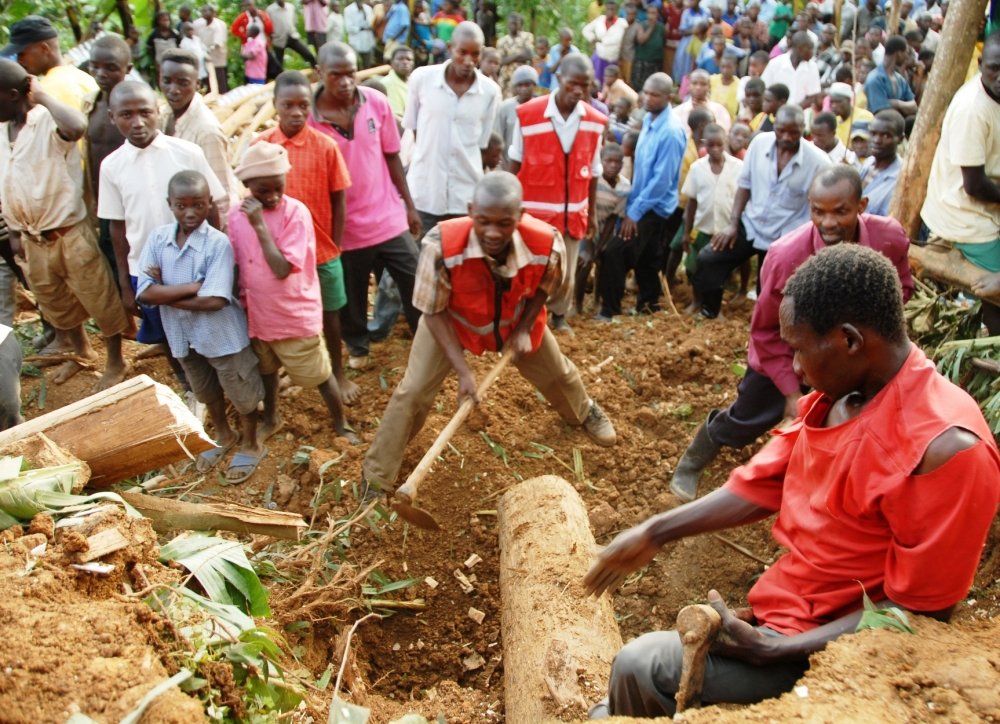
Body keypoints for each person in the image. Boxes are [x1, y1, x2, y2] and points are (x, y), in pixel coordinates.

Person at [588, 242, 999, 718]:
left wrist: (777, 649)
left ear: (849, 340)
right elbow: (760, 483)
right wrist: (655, 531)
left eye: (799, 350)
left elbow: (921, 613)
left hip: (830, 647)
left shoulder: (944, 450)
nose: (796, 370)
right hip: (785, 614)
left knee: (640, 666)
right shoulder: (838, 398)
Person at [361, 172, 617, 496]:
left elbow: (546, 287)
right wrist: (463, 371)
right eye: (483, 221)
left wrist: (524, 329)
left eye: (504, 223)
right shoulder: (440, 246)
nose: (493, 232)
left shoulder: (548, 243)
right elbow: (433, 310)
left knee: (558, 373)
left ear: (520, 216)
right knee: (411, 393)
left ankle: (584, 412)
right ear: (470, 211)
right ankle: (376, 476)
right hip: (451, 322)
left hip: (515, 319)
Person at [674, 165, 913, 500]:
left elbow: (900, 290)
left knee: (856, 419)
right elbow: (767, 332)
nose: (828, 223)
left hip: (851, 354)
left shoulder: (889, 238)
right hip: (789, 353)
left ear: (861, 206)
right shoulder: (786, 257)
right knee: (751, 416)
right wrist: (790, 391)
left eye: (841, 212)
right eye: (818, 212)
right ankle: (698, 454)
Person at [0, 58, 130, 393]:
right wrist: (15, 232)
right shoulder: (3, 132)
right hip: (32, 236)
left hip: (68, 232)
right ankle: (80, 347)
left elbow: (76, 127)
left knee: (97, 295)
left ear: (13, 95)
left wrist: (41, 96)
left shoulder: (46, 122)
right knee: (54, 299)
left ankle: (116, 359)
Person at [136, 171, 266, 483]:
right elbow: (144, 293)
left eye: (198, 205)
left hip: (222, 335)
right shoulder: (158, 239)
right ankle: (223, 434)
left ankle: (251, 442)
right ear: (170, 205)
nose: (190, 212)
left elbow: (215, 301)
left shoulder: (217, 244)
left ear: (209, 205)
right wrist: (195, 285)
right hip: (182, 335)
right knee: (204, 389)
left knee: (242, 390)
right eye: (182, 206)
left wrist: (165, 292)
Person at [308, 47, 424, 389]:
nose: (346, 82)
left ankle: (424, 340)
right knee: (351, 294)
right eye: (336, 75)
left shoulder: (375, 102)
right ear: (319, 73)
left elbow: (392, 158)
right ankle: (357, 345)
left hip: (386, 214)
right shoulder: (311, 119)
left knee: (415, 278)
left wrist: (409, 205)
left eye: (351, 73)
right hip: (343, 226)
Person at [229, 142, 356, 442]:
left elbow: (282, 268)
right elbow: (236, 262)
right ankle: (272, 417)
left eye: (278, 187)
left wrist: (259, 225)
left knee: (320, 374)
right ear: (247, 186)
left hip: (292, 314)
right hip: (258, 316)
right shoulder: (235, 216)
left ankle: (341, 423)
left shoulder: (295, 213)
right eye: (263, 190)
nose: (272, 195)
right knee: (267, 371)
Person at [98, 81, 227, 367]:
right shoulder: (111, 166)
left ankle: (217, 389)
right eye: (126, 115)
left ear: (158, 111)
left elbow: (213, 206)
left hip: (194, 264)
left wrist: (217, 260)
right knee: (167, 335)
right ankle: (189, 385)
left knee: (209, 327)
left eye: (145, 112)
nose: (138, 122)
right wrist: (125, 283)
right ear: (112, 116)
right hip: (147, 270)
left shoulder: (187, 153)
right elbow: (117, 227)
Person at [252, 71, 354, 403]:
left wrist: (335, 245)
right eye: (288, 105)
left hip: (322, 251)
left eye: (303, 105)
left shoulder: (325, 146)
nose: (296, 112)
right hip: (276, 255)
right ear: (275, 106)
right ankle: (290, 370)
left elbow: (339, 199)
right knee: (285, 314)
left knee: (331, 313)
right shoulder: (262, 146)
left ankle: (337, 372)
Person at [692, 105, 830, 319]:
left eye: (793, 132)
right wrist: (732, 224)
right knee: (709, 259)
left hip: (785, 235)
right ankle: (711, 312)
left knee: (768, 289)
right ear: (774, 126)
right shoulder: (759, 143)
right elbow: (744, 185)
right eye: (781, 130)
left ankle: (762, 328)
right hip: (751, 223)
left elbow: (820, 207)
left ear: (804, 130)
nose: (786, 136)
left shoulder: (819, 162)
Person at [508, 53, 606, 333]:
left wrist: (593, 213)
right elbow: (513, 163)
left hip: (573, 213)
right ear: (558, 79)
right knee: (531, 270)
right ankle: (523, 317)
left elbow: (594, 170)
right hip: (534, 214)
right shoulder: (528, 115)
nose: (578, 91)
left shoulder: (594, 121)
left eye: (584, 86)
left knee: (565, 270)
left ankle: (559, 317)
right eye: (572, 84)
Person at [921, 31, 1000, 335]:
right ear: (980, 64)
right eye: (995, 68)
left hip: (985, 197)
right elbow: (974, 185)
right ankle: (994, 342)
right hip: (964, 212)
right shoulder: (972, 109)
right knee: (996, 294)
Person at [598, 73, 686, 319]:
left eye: (655, 95)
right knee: (649, 257)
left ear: (668, 98)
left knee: (614, 252)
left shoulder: (670, 131)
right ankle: (648, 305)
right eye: (645, 92)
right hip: (642, 201)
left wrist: (634, 213)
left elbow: (662, 180)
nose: (647, 98)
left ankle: (609, 310)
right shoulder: (649, 119)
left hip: (651, 207)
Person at [404, 21, 500, 234]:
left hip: (465, 197)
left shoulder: (490, 91)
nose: (468, 61)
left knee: (459, 263)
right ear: (450, 48)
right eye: (462, 52)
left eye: (475, 54)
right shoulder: (422, 79)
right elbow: (415, 131)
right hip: (424, 193)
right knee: (418, 262)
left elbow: (480, 144)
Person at [158, 49, 238, 224]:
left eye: (182, 83)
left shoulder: (207, 131)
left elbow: (220, 195)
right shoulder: (166, 115)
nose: (173, 90)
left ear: (198, 84)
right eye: (167, 81)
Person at [83, 35, 133, 280]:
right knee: (111, 262)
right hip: (102, 203)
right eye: (95, 66)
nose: (100, 73)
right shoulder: (89, 104)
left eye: (110, 67)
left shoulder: (135, 110)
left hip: (130, 205)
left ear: (127, 69)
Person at [679, 123, 743, 313]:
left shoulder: (738, 167)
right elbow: (691, 203)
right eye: (711, 145)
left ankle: (715, 307)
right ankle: (697, 302)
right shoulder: (697, 168)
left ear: (726, 142)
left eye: (719, 145)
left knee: (718, 272)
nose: (715, 149)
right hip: (703, 228)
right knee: (695, 268)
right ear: (705, 144)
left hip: (725, 230)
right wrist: (686, 231)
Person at [2, 15, 98, 110]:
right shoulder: (83, 77)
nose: (19, 60)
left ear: (44, 49)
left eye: (22, 54)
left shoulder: (49, 90)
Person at [584, 142, 631, 314]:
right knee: (584, 262)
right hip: (586, 223)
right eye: (608, 161)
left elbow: (613, 218)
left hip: (605, 227)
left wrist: (600, 245)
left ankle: (597, 300)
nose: (613, 165)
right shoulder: (593, 180)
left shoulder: (625, 187)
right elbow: (587, 207)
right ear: (600, 161)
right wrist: (590, 245)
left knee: (603, 260)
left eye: (617, 162)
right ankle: (577, 303)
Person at [859, 109, 903, 217]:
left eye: (886, 136)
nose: (877, 140)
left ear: (900, 139)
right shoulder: (868, 163)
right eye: (873, 134)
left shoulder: (900, 178)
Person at [760, 31, 820, 108]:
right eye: (809, 49)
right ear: (799, 48)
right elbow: (764, 88)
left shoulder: (812, 67)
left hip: (800, 113)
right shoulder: (775, 63)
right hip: (775, 111)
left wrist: (794, 110)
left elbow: (812, 96)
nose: (812, 53)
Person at [493, 65, 537, 165]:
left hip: (533, 163)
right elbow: (498, 136)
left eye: (527, 85)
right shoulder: (505, 107)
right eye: (520, 85)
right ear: (515, 87)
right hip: (509, 163)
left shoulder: (541, 107)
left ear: (534, 85)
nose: (524, 89)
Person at [864, 35, 917, 117]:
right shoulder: (875, 79)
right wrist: (904, 106)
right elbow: (881, 111)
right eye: (906, 52)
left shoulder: (900, 79)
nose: (907, 56)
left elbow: (914, 106)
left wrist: (897, 103)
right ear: (899, 54)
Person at [583, 0, 629, 85]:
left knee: (610, 84)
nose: (610, 11)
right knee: (596, 82)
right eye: (608, 9)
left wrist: (602, 40)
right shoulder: (600, 20)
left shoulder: (622, 23)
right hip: (599, 57)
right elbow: (586, 30)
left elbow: (618, 40)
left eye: (612, 9)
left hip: (612, 59)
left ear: (616, 11)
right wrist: (593, 38)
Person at [267, 0, 318, 67]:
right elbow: (268, 25)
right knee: (278, 64)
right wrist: (272, 37)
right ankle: (281, 76)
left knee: (308, 55)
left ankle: (316, 70)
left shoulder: (290, 7)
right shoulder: (270, 10)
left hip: (292, 36)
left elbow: (294, 21)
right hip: (278, 39)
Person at [193, 4, 229, 94]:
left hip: (217, 55)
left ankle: (222, 96)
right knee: (205, 78)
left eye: (207, 11)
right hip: (203, 56)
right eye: (203, 11)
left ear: (213, 13)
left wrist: (206, 51)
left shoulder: (219, 25)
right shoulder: (197, 24)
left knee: (219, 78)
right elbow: (194, 37)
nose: (205, 13)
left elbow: (218, 43)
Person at [497, 12, 535, 96]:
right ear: (507, 24)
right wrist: (518, 55)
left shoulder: (527, 36)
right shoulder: (502, 41)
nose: (513, 25)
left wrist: (509, 57)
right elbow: (501, 61)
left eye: (516, 23)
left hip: (523, 78)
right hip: (506, 79)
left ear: (520, 24)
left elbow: (529, 55)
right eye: (511, 23)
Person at [828, 81, 873, 147]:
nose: (834, 106)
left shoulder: (863, 117)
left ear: (848, 100)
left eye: (838, 102)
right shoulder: (834, 120)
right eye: (832, 102)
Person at [631, 9, 665, 93]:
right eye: (650, 13)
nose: (651, 15)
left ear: (658, 15)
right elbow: (641, 40)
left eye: (654, 13)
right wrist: (651, 27)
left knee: (653, 85)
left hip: (655, 61)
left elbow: (663, 42)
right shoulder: (642, 25)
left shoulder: (661, 27)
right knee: (638, 86)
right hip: (642, 61)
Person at [147, 11, 182, 83]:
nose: (166, 22)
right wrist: (154, 61)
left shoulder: (174, 33)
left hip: (174, 60)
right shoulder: (154, 34)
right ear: (158, 21)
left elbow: (180, 45)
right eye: (163, 20)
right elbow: (149, 48)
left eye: (167, 20)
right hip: (160, 61)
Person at [381, 45, 413, 121]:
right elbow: (396, 118)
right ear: (391, 62)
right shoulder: (387, 83)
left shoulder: (414, 82)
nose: (405, 62)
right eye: (400, 59)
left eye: (409, 59)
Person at [546, 28, 581, 93]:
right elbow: (551, 71)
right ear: (561, 40)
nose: (569, 43)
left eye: (571, 40)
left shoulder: (575, 52)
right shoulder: (554, 50)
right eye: (567, 40)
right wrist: (561, 58)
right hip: (555, 87)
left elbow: (577, 71)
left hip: (570, 88)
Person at [178, 22, 209, 87]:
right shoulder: (184, 42)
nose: (190, 31)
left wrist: (206, 55)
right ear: (184, 31)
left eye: (191, 29)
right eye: (188, 30)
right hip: (192, 65)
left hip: (201, 64)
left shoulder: (197, 39)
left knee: (204, 80)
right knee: (195, 80)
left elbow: (203, 49)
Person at [710, 55, 740, 120]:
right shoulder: (712, 80)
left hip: (729, 120)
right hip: (711, 117)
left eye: (729, 67)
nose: (725, 70)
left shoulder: (739, 84)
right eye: (723, 66)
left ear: (735, 67)